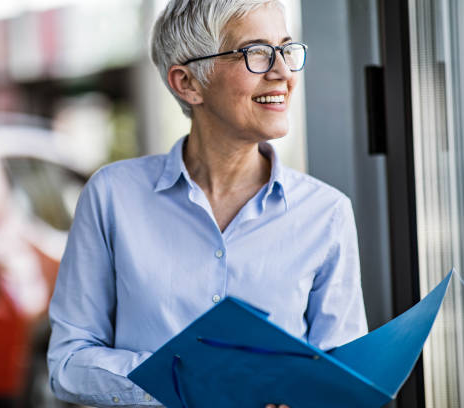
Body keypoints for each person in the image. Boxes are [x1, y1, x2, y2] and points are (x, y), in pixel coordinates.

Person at [47, 0, 368, 407]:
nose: (283, 73)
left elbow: (343, 380)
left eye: (286, 49)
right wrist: (183, 380)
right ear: (187, 84)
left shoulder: (327, 213)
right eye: (255, 53)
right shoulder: (112, 196)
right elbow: (68, 363)